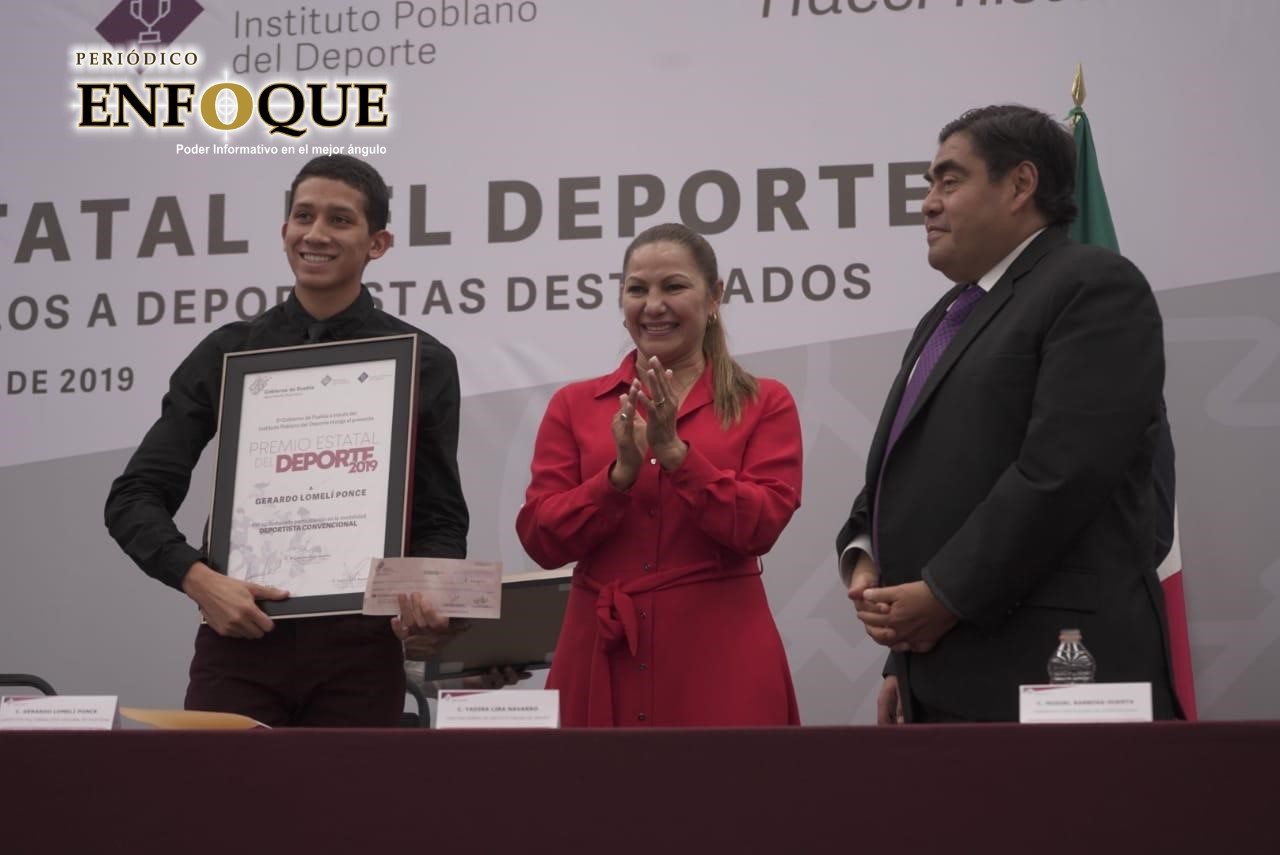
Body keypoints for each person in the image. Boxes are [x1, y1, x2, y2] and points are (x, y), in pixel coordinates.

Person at [835, 105, 1183, 723]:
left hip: (1058, 665)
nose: (928, 204)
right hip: (942, 663)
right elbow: (911, 469)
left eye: (950, 180)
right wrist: (867, 556)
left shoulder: (1092, 285)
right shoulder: (947, 316)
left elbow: (1063, 471)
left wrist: (943, 595)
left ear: (1020, 185)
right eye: (929, 185)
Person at [105, 155, 469, 727]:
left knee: (347, 817)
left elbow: (441, 519)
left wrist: (427, 605)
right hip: (241, 643)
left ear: (377, 244)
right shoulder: (228, 352)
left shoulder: (423, 362)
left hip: (360, 654)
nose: (316, 234)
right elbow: (134, 495)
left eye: (340, 220)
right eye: (304, 216)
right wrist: (201, 582)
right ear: (284, 232)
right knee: (221, 813)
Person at [514, 222, 802, 727]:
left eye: (674, 286)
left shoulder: (765, 401)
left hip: (720, 653)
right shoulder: (573, 405)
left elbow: (760, 525)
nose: (653, 305)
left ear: (714, 297)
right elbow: (542, 539)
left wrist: (676, 455)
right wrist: (617, 477)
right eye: (637, 289)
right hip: (601, 650)